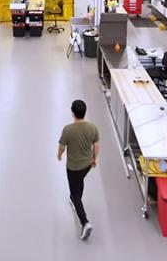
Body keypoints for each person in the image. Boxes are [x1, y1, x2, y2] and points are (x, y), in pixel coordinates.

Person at [57, 100, 99, 240]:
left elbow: (62, 146)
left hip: (73, 167)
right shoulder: (92, 128)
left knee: (75, 193)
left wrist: (59, 155)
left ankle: (85, 222)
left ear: (73, 113)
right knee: (79, 182)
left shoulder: (68, 129)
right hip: (86, 165)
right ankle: (74, 198)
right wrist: (94, 159)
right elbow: (96, 145)